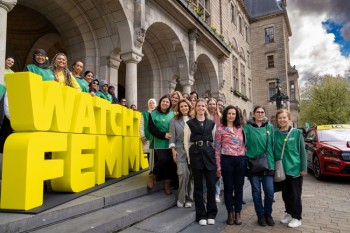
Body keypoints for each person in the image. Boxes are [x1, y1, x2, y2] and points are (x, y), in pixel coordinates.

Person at [184, 98, 218, 226]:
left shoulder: (211, 123)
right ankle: (201, 214)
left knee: (210, 185)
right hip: (195, 155)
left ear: (206, 108)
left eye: (203, 106)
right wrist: (189, 158)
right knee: (198, 187)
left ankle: (211, 213)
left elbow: (215, 141)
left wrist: (214, 157)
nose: (201, 108)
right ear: (195, 108)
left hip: (209, 155)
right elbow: (186, 142)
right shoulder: (189, 123)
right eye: (199, 106)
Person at [274, 109, 307, 228]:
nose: (282, 120)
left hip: (295, 169)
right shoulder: (275, 134)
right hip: (281, 170)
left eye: (284, 117)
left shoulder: (297, 133)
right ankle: (288, 213)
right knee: (285, 194)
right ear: (277, 120)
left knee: (295, 194)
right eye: (280, 118)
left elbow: (302, 152)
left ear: (289, 119)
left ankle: (297, 217)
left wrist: (303, 168)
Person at [244, 106, 275, 226]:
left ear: (265, 114)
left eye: (262, 112)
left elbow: (273, 145)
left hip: (268, 163)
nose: (260, 114)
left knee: (269, 191)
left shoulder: (269, 127)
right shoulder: (247, 128)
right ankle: (260, 215)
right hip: (253, 164)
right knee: (256, 191)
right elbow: (243, 144)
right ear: (253, 114)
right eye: (258, 112)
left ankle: (268, 214)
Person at [215, 105, 246, 225]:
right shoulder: (220, 129)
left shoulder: (241, 128)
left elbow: (246, 144)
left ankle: (238, 213)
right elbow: (217, 149)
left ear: (236, 115)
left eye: (233, 114)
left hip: (240, 160)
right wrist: (218, 166)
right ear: (225, 115)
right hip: (227, 160)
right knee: (228, 188)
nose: (231, 116)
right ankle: (230, 213)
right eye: (229, 113)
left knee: (239, 188)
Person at [148, 95, 176, 195]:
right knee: (163, 159)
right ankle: (153, 175)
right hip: (159, 141)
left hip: (171, 141)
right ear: (160, 102)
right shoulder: (152, 114)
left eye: (167, 102)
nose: (165, 103)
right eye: (163, 101)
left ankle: (167, 184)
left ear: (170, 104)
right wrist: (163, 135)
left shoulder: (173, 114)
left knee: (170, 162)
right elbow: (151, 129)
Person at [169, 98, 193, 208]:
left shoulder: (194, 119)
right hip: (179, 150)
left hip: (193, 150)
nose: (184, 108)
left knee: (192, 175)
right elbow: (172, 137)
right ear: (179, 108)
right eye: (182, 106)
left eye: (186, 106)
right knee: (183, 174)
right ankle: (181, 198)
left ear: (189, 107)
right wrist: (173, 150)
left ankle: (189, 199)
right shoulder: (174, 120)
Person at [207, 98, 222, 203]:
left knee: (218, 169)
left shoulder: (220, 116)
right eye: (210, 104)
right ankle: (209, 192)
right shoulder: (205, 116)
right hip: (207, 145)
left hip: (218, 145)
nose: (212, 106)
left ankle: (217, 192)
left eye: (214, 104)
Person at [141, 98, 157, 189]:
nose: (152, 104)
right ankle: (150, 170)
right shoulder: (144, 113)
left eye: (153, 103)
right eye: (150, 103)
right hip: (147, 137)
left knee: (155, 154)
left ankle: (155, 171)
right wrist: (142, 136)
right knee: (148, 153)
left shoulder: (157, 113)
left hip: (156, 138)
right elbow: (141, 125)